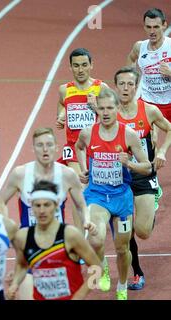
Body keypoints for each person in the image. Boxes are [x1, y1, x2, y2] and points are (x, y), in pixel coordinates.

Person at [0, 127, 96, 300]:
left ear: (56, 147)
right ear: (33, 148)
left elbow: (81, 205)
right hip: (31, 246)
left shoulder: (67, 174)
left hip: (59, 245)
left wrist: (87, 221)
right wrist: (9, 228)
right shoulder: (20, 174)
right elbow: (1, 201)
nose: (45, 149)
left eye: (49, 144)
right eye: (40, 145)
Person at [75, 88, 152, 300]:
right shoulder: (88, 132)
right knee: (96, 240)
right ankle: (103, 267)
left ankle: (122, 284)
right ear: (96, 109)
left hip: (121, 199)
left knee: (122, 248)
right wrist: (83, 169)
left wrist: (130, 164)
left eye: (110, 108)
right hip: (97, 195)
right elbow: (79, 147)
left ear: (117, 108)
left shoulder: (128, 135)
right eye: (102, 108)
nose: (106, 112)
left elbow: (147, 167)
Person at [114, 66, 171, 290]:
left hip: (143, 174)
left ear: (136, 86)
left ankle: (155, 193)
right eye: (122, 84)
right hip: (118, 178)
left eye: (130, 84)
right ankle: (137, 273)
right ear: (116, 86)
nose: (126, 88)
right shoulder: (109, 112)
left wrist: (161, 151)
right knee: (125, 231)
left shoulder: (148, 111)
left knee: (143, 232)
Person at [7, 180, 101, 300]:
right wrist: (15, 283)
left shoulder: (70, 235)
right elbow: (22, 265)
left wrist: (79, 296)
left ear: (56, 205)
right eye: (37, 205)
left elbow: (97, 268)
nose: (42, 211)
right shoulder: (23, 237)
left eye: (47, 205)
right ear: (31, 206)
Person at [56, 48, 111, 231]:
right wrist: (61, 116)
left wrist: (96, 108)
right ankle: (80, 238)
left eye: (84, 65)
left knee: (101, 192)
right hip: (73, 148)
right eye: (76, 66)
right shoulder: (64, 89)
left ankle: (102, 225)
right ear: (70, 67)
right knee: (78, 190)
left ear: (91, 65)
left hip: (98, 148)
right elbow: (62, 106)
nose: (80, 70)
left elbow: (113, 118)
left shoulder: (101, 88)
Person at [126, 8, 171, 209]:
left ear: (164, 25)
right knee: (147, 143)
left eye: (156, 27)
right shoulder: (140, 46)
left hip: (169, 102)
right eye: (148, 27)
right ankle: (153, 184)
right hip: (149, 102)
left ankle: (162, 152)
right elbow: (130, 60)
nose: (152, 31)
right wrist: (131, 80)